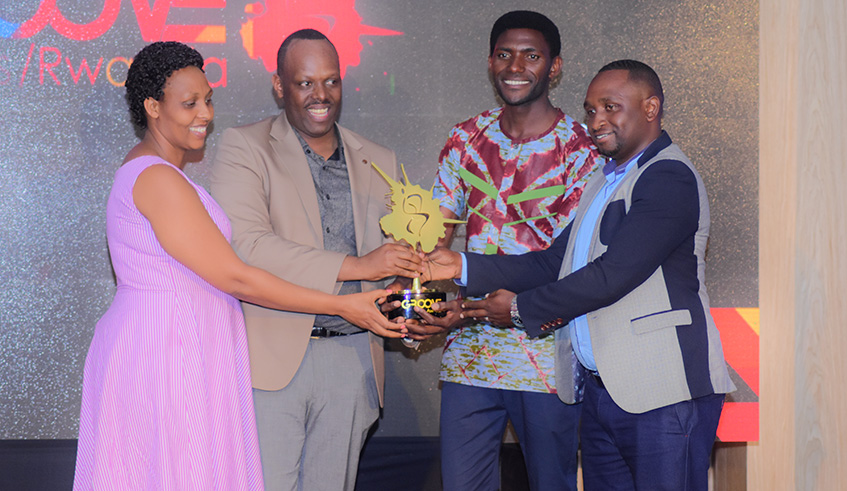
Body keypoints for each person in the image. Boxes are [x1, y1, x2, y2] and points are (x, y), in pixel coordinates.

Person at [73, 41, 403, 490]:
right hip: (169, 352)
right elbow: (237, 276)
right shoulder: (157, 178)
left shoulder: (159, 172)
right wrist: (340, 304)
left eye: (208, 100)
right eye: (189, 104)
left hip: (180, 344)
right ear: (153, 107)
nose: (205, 114)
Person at [423, 60, 736, 490]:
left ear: (650, 108)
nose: (596, 121)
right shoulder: (603, 181)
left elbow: (613, 275)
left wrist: (519, 309)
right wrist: (461, 265)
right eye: (590, 110)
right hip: (603, 394)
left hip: (662, 392)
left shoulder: (668, 175)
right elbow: (554, 262)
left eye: (610, 107)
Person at [210, 29, 420, 491]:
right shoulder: (246, 146)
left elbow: (400, 261)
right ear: (279, 85)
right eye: (305, 83)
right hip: (272, 360)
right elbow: (248, 247)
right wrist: (360, 265)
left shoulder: (379, 160)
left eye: (331, 81)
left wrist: (414, 295)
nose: (320, 95)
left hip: (353, 360)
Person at [409, 10, 601, 491]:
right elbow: (433, 240)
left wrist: (461, 276)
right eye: (504, 54)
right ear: (490, 62)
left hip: (546, 358)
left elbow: (566, 263)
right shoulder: (465, 140)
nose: (515, 66)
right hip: (469, 356)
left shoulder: (581, 151)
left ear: (554, 67)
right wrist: (415, 311)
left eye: (531, 55)